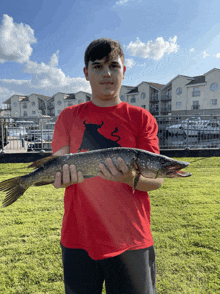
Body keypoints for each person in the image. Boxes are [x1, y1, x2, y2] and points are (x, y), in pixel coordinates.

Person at [51, 38, 163, 294]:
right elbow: (58, 171)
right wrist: (61, 177)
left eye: (113, 65)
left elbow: (156, 180)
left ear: (124, 70)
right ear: (86, 72)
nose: (106, 74)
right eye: (98, 66)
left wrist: (129, 178)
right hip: (79, 237)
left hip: (132, 239)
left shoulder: (141, 118)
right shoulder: (68, 116)